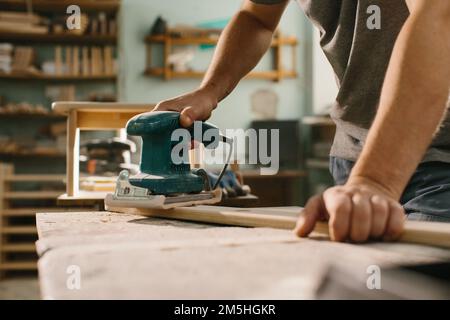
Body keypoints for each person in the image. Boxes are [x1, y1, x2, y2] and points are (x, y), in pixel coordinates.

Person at [153, 0, 450, 242]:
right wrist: (210, 90)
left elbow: (439, 16)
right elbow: (257, 17)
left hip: (439, 158)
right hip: (354, 157)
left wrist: (376, 181)